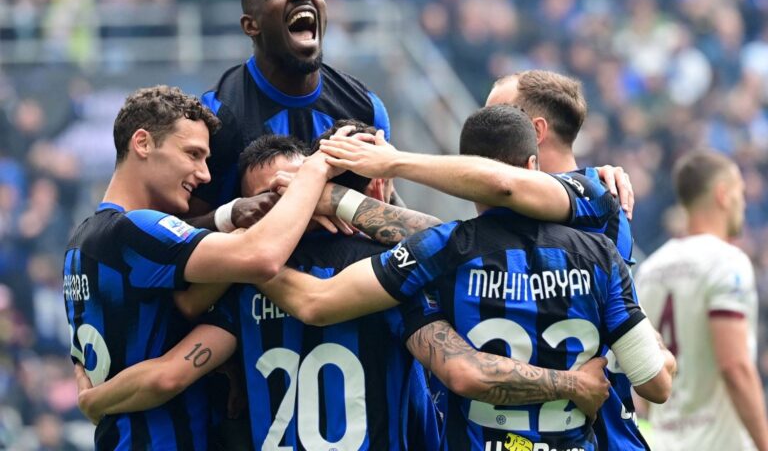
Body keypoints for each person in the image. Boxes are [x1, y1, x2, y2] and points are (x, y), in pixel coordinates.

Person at [74, 125, 610, 449]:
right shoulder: (391, 278)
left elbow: (170, 370)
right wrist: (571, 384)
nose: (284, 207)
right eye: (272, 199)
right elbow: (463, 364)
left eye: (290, 192)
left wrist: (95, 400)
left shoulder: (244, 286)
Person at [256, 104, 675, 451]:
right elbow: (656, 385)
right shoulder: (601, 248)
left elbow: (317, 302)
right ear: (533, 165)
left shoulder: (445, 250)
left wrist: (247, 254)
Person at [64, 85, 337, 450]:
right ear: (142, 143)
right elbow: (262, 256)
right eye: (192, 154)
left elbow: (184, 307)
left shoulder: (79, 244)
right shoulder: (136, 229)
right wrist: (312, 176)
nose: (205, 174)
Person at [189, 0, 392, 230]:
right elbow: (181, 233)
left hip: (348, 257)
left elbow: (389, 211)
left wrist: (338, 200)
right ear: (251, 25)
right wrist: (230, 214)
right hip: (254, 257)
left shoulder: (366, 108)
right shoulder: (219, 114)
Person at [635, 149, 768, 451]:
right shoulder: (727, 262)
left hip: (663, 441)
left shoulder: (650, 270)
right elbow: (735, 367)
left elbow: (641, 379)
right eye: (740, 193)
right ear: (723, 194)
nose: (744, 203)